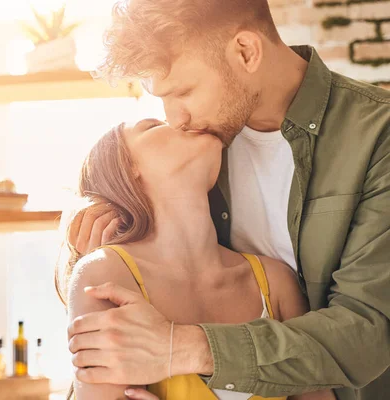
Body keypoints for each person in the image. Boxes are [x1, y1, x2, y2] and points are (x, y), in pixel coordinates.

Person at [66, 0, 390, 399]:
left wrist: (177, 348)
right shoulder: (205, 143)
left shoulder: (378, 137)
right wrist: (113, 228)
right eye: (161, 101)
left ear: (246, 51)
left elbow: (369, 330)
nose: (175, 118)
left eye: (183, 91)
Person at [58, 119, 336, 400]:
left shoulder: (275, 282)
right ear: (127, 170)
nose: (181, 119)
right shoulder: (103, 275)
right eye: (154, 125)